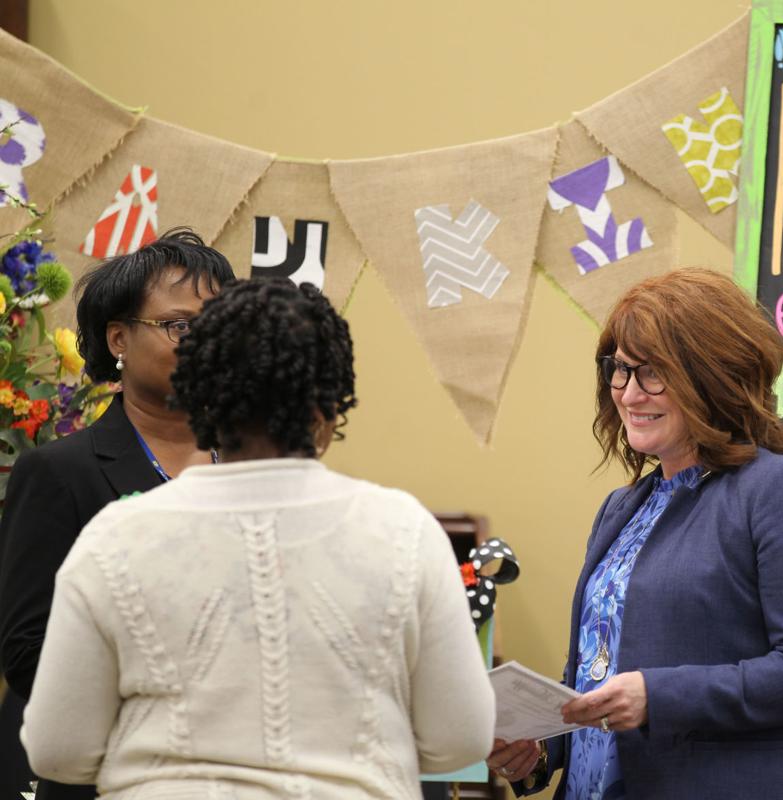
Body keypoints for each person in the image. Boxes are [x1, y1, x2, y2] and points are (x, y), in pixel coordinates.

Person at [20, 278, 495, 798]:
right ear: (330, 408)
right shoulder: (405, 531)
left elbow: (58, 751)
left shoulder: (115, 538)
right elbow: (461, 739)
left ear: (198, 399)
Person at [489, 268, 783, 799]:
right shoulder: (621, 507)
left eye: (653, 373)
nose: (629, 394)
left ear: (714, 376)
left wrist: (658, 696)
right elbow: (593, 672)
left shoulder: (780, 489)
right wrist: (539, 751)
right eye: (621, 371)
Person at [0, 228, 235, 800]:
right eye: (180, 325)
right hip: (98, 770)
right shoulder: (59, 473)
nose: (203, 343)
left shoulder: (253, 471)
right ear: (119, 338)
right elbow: (27, 650)